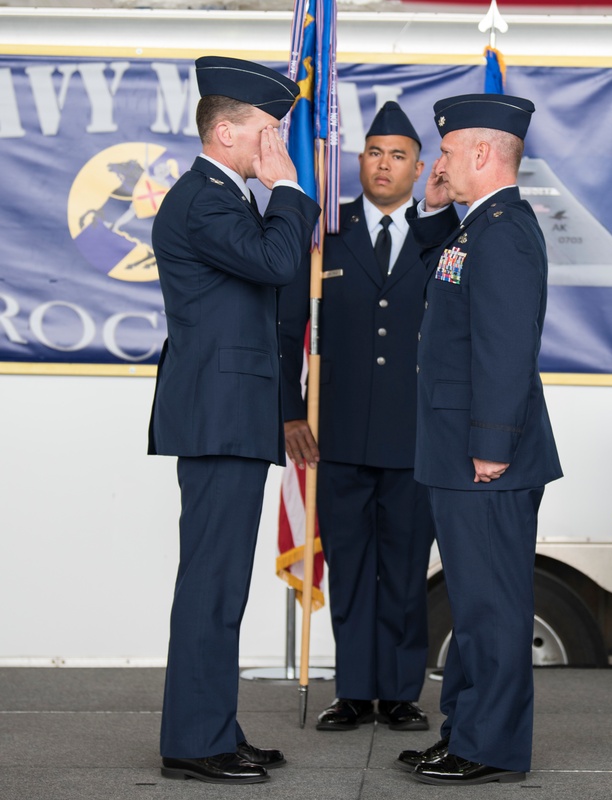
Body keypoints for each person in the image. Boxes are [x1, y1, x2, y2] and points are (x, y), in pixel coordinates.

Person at [148, 55, 320, 785]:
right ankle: (194, 740)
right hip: (218, 417)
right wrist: (289, 186)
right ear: (224, 133)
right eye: (268, 130)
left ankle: (212, 725)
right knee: (211, 584)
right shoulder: (206, 198)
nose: (276, 143)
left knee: (219, 585)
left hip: (231, 415)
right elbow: (279, 262)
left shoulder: (222, 195)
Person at [395, 93, 562, 786]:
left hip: (486, 454)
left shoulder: (508, 230)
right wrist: (435, 210)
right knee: (471, 602)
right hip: (457, 449)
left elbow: (504, 347)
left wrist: (492, 442)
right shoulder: (477, 229)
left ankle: (490, 747)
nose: (439, 162)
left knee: (492, 606)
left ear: (485, 154)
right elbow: (443, 286)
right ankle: (464, 731)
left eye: (449, 150)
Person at [278, 101, 435, 733]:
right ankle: (353, 690)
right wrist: (290, 411)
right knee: (347, 566)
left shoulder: (441, 235)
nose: (384, 165)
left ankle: (398, 692)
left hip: (416, 437)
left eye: (399, 155)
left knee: (402, 570)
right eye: (374, 152)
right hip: (335, 436)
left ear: (421, 168)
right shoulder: (326, 232)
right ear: (358, 160)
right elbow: (289, 328)